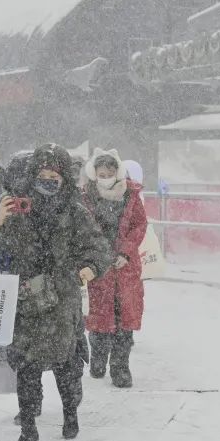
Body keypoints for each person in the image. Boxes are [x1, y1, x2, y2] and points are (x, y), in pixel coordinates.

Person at [0, 144, 113, 441]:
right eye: (42, 174)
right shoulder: (17, 208)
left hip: (62, 300)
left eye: (55, 176)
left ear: (65, 178)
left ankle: (70, 415)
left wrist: (89, 268)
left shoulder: (74, 211)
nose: (48, 180)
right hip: (26, 299)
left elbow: (99, 248)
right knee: (26, 367)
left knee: (66, 365)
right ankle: (28, 430)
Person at [82, 149, 148, 388]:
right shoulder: (85, 196)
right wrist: (97, 256)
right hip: (98, 268)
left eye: (110, 172)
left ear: (117, 172)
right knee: (99, 318)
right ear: (94, 173)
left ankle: (121, 368)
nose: (106, 177)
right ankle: (98, 360)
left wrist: (125, 252)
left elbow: (139, 224)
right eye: (101, 173)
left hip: (125, 269)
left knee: (124, 321)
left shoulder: (130, 194)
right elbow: (83, 229)